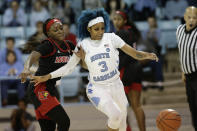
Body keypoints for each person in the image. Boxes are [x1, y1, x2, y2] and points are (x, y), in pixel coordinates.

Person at [31, 8, 158, 131]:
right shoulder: (82, 45)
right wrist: (47, 76)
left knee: (122, 124)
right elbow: (68, 68)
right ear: (89, 29)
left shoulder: (112, 38)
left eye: (102, 28)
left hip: (117, 85)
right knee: (115, 115)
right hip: (97, 88)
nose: (100, 31)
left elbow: (134, 53)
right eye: (96, 29)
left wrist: (147, 55)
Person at [19, 18, 76, 131]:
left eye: (61, 28)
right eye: (55, 30)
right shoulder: (47, 45)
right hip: (39, 89)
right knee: (64, 121)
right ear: (49, 33)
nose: (60, 31)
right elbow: (33, 56)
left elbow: (81, 60)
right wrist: (26, 68)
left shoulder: (69, 45)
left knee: (48, 128)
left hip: (51, 88)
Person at [112, 10, 146, 131]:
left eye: (119, 19)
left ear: (125, 21)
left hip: (125, 71)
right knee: (137, 105)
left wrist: (116, 69)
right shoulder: (132, 32)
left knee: (121, 107)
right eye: (114, 19)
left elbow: (124, 56)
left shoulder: (120, 33)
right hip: (136, 69)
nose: (116, 21)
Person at [177, 6, 197, 130]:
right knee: (192, 107)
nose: (191, 20)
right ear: (184, 17)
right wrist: (183, 70)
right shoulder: (179, 30)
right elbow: (182, 51)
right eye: (189, 17)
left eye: (194, 18)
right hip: (188, 76)